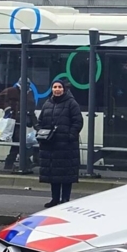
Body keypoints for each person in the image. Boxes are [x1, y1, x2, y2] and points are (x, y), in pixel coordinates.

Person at [38, 80, 83, 208]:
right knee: (54, 174)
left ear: (64, 89)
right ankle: (55, 199)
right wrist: (40, 132)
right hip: (51, 145)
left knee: (66, 174)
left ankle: (65, 199)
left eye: (59, 87)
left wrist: (70, 136)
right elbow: (40, 121)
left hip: (66, 145)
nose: (57, 89)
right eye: (54, 87)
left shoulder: (71, 103)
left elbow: (78, 122)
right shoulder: (47, 103)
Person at [0, 86, 38, 171]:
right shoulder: (12, 91)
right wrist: (7, 108)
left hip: (22, 121)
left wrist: (36, 124)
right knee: (18, 143)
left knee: (18, 143)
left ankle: (15, 163)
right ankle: (22, 163)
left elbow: (31, 110)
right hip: (13, 120)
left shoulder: (29, 93)